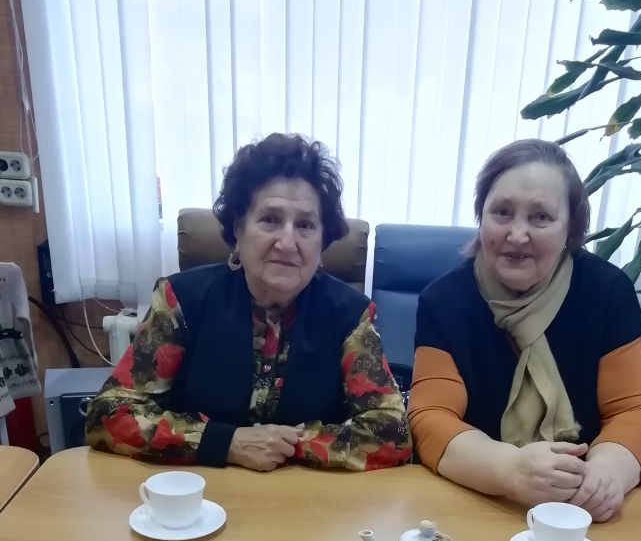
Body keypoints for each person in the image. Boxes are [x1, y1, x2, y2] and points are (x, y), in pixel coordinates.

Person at [86, 133, 411, 472]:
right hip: (197, 492)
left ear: (322, 244)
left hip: (306, 497)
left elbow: (393, 433)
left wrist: (285, 444)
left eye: (305, 225)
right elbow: (111, 414)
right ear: (238, 231)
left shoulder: (351, 316)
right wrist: (226, 442)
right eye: (270, 219)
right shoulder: (180, 301)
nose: (287, 242)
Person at [408, 139, 641, 521]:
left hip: (580, 509)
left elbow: (635, 408)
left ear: (571, 229)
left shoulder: (608, 292)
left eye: (540, 217)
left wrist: (607, 473)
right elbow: (431, 415)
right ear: (481, 216)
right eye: (502, 212)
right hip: (478, 499)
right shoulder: (442, 301)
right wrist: (508, 469)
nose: (517, 234)